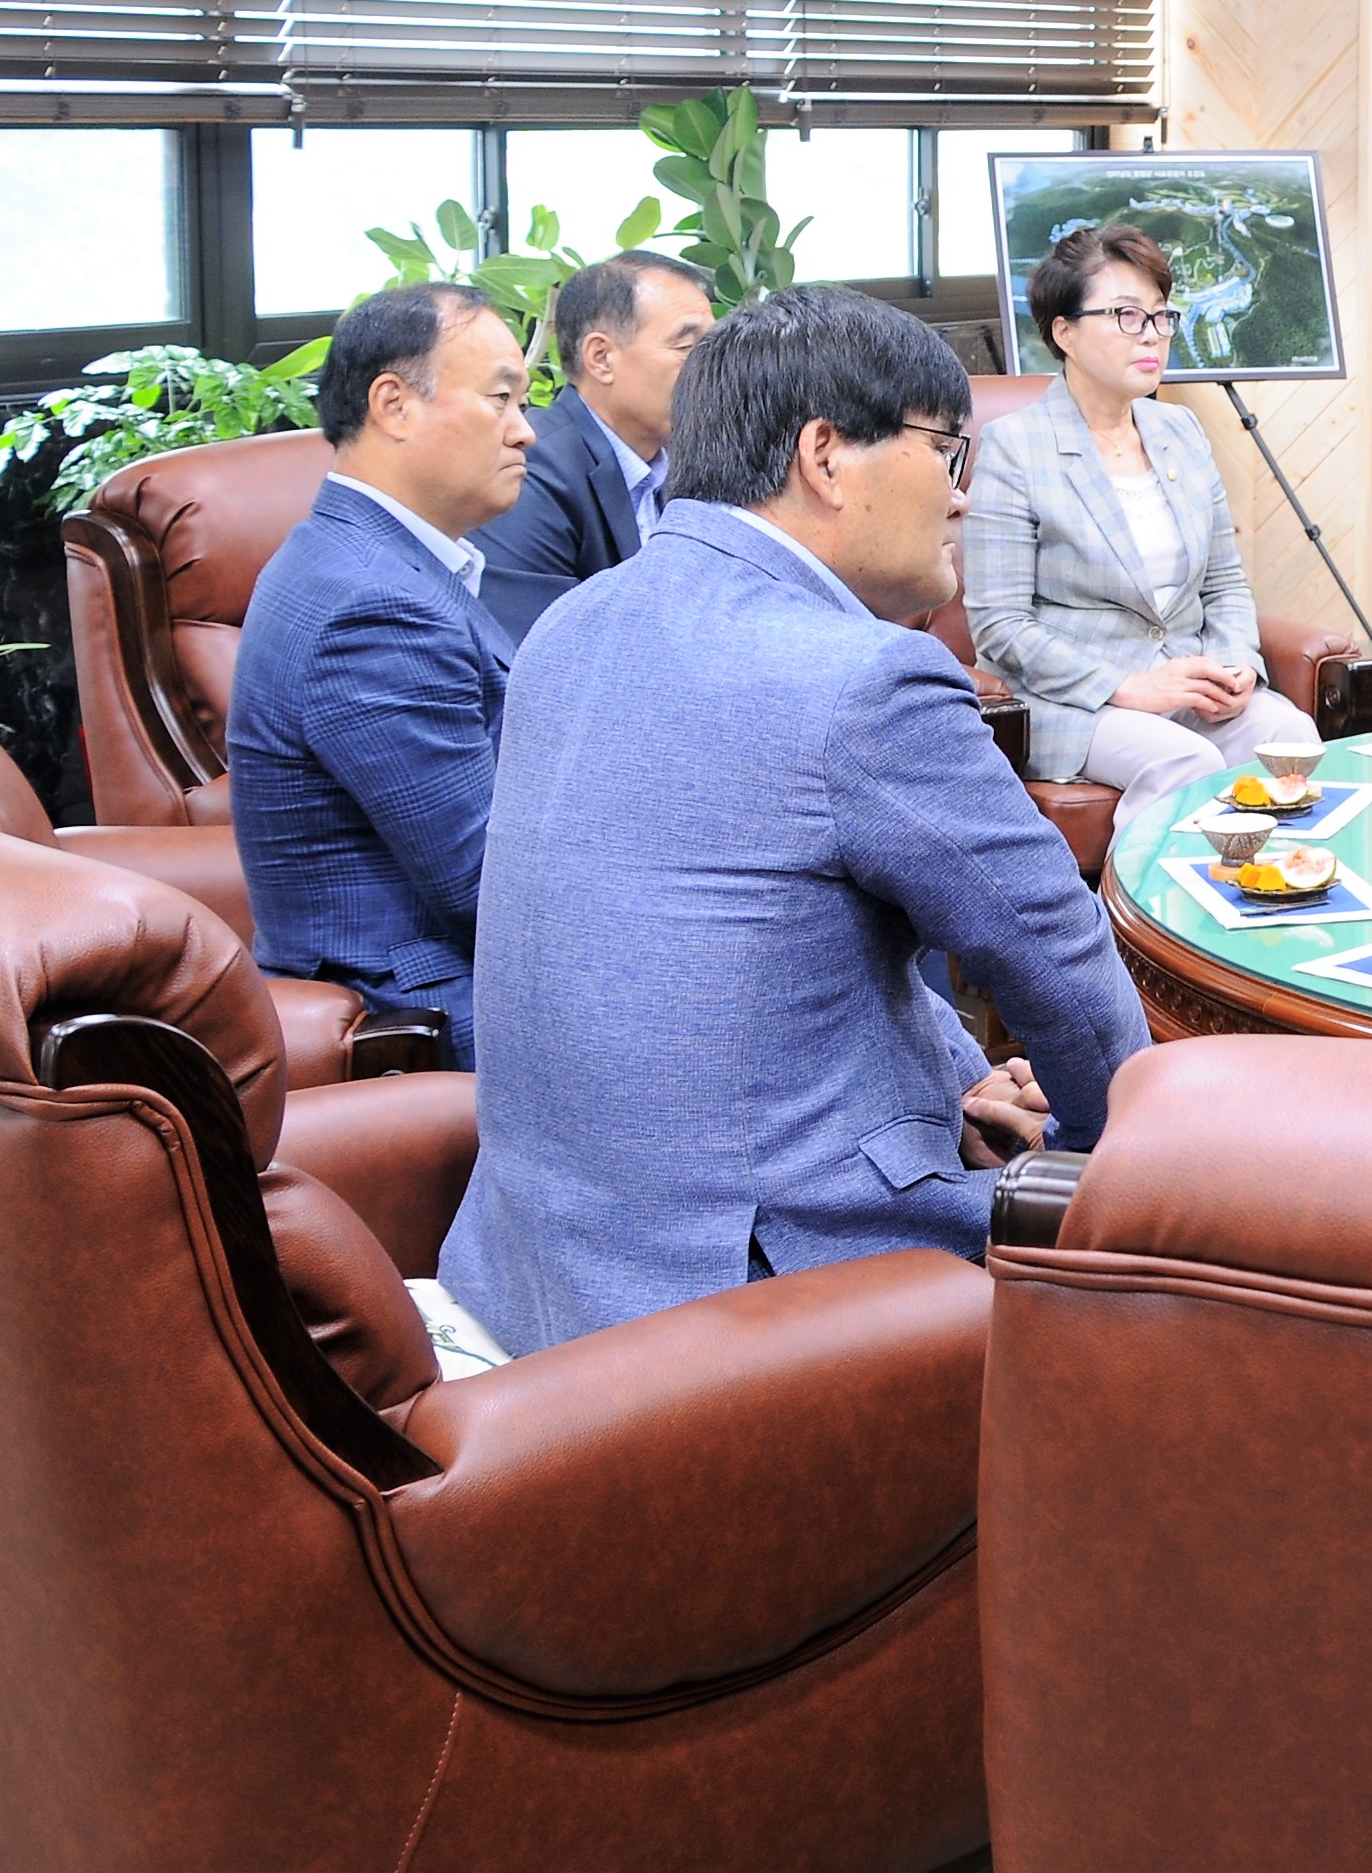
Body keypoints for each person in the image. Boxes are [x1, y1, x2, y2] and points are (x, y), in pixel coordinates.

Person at [440, 286, 1152, 1356]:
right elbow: (1055, 953)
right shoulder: (866, 678)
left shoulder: (567, 626)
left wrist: (957, 1075)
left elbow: (757, 944)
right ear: (825, 457)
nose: (964, 497)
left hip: (537, 1276)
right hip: (751, 1307)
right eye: (948, 453)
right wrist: (1104, 1172)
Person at [226, 282, 532, 1068]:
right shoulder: (373, 608)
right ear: (394, 405)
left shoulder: (371, 561)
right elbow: (492, 889)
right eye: (500, 398)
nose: (525, 433)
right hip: (426, 1009)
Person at [963, 224, 1312, 821]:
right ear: (1064, 332)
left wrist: (1233, 667)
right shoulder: (1014, 447)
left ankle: (1268, 896)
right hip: (1074, 703)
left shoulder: (1181, 433)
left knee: (1291, 737)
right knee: (1184, 763)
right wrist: (1125, 686)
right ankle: (1132, 915)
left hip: (1187, 687)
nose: (1151, 336)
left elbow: (1224, 584)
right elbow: (1000, 625)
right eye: (1127, 316)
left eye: (1160, 316)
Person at [471, 247, 716, 641]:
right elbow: (542, 655)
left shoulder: (700, 458)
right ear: (601, 358)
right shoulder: (530, 470)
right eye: (688, 347)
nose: (713, 367)